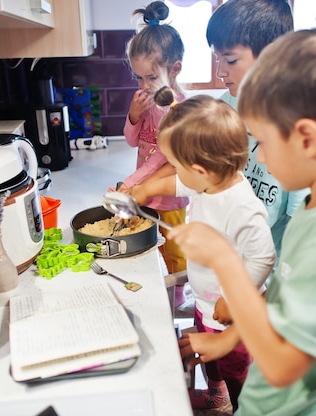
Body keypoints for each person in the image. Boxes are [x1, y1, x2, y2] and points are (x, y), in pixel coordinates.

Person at [175, 29, 316, 415]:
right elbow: (285, 303)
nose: (259, 160)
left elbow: (284, 367)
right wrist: (229, 341)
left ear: (307, 138)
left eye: (264, 143)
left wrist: (225, 260)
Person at [130, 87, 276, 411]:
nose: (175, 174)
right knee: (211, 358)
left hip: (232, 314)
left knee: (236, 370)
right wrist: (144, 189)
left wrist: (235, 299)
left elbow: (264, 257)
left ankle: (238, 402)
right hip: (206, 300)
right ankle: (216, 388)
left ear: (199, 170)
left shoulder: (241, 206)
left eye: (176, 165)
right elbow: (176, 184)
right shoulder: (208, 181)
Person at [206, 0, 309, 259]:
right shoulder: (223, 107)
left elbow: (300, 210)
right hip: (229, 239)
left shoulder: (295, 116)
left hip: (270, 256)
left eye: (229, 60)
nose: (220, 71)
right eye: (217, 58)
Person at [117, 0, 189, 306]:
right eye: (138, 78)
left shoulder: (177, 107)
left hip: (168, 192)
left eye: (151, 77)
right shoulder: (145, 101)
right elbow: (133, 142)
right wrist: (133, 115)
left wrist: (133, 182)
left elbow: (163, 155)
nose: (144, 86)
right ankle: (157, 290)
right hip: (144, 191)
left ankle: (177, 296)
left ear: (174, 70)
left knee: (174, 248)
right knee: (149, 243)